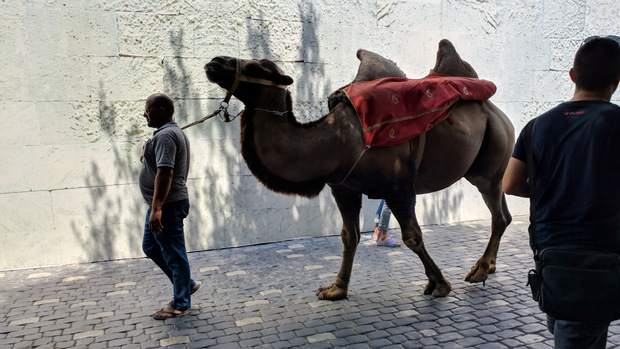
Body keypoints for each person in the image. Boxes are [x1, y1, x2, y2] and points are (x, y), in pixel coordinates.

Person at [503, 36, 620, 348]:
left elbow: (510, 184)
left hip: (550, 259)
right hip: (596, 259)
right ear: (616, 80)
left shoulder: (536, 126)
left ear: (572, 75)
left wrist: (555, 190)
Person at [139, 93, 199, 320]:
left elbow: (165, 174)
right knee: (151, 246)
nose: (144, 113)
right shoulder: (168, 135)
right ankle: (187, 283)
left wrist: (156, 209)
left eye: (148, 109)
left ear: (162, 110)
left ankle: (181, 302)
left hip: (167, 206)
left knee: (174, 254)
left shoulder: (166, 136)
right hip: (164, 205)